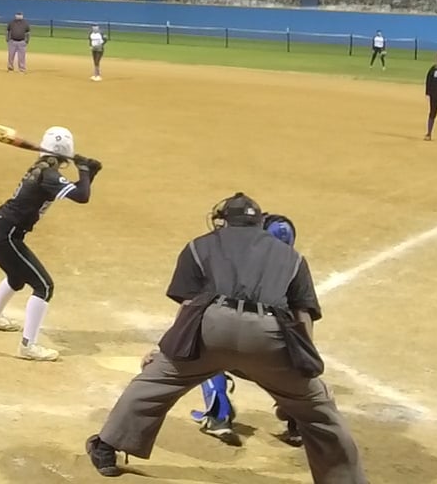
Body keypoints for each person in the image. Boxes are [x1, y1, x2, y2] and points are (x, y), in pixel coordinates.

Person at [85, 193, 366, 482]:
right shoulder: (292, 256)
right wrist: (303, 371)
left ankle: (106, 448)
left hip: (212, 329)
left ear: (225, 221)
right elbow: (302, 316)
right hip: (268, 336)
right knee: (319, 411)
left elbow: (189, 307)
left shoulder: (199, 246)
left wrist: (164, 350)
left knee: (155, 383)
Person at [0, 126, 100, 361]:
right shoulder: (50, 176)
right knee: (44, 286)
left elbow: (78, 190)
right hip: (5, 235)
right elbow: (82, 196)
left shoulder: (43, 170)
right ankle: (28, 346)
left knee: (17, 277)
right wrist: (84, 170)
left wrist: (89, 173)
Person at [190, 212, 303, 447]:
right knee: (295, 358)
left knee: (202, 342)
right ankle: (298, 422)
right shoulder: (295, 271)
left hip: (232, 347)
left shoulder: (230, 269)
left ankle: (218, 415)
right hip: (276, 359)